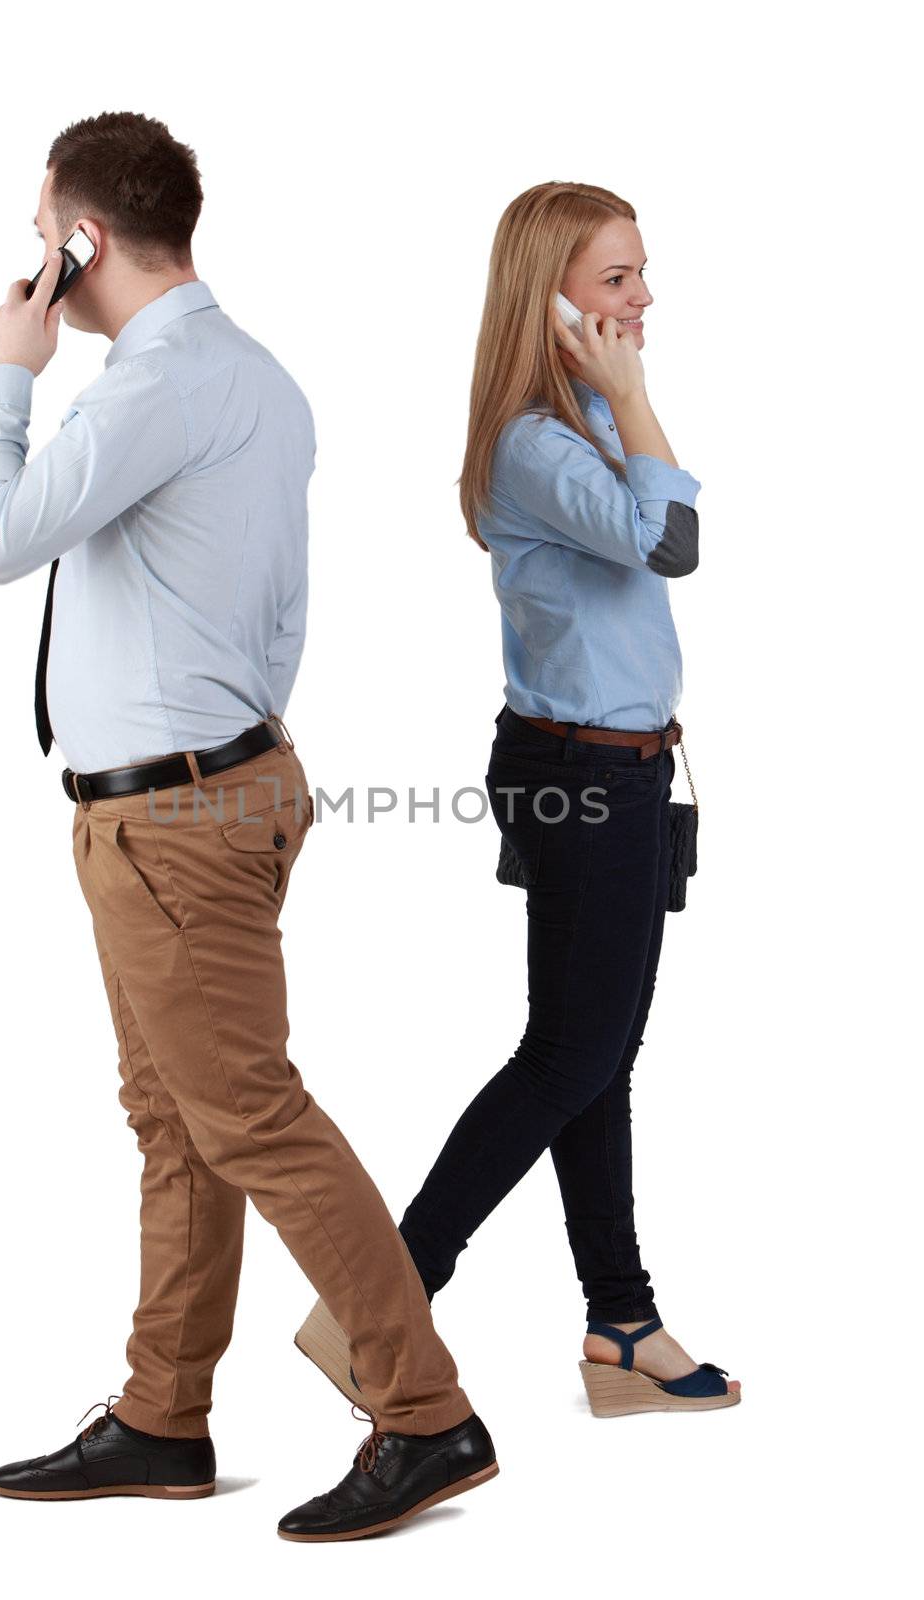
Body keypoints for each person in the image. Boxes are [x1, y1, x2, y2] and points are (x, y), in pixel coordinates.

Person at [0, 110, 497, 1539]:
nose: (34, 265)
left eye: (42, 237)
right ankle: (161, 1416)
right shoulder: (244, 375)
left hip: (177, 822)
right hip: (203, 795)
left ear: (82, 241)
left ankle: (425, 1415)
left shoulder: (155, 391)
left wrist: (0, 381)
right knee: (180, 1121)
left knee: (245, 1116)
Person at [296, 181, 741, 1417]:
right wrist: (641, 397)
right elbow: (673, 546)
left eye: (642, 274)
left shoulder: (589, 421)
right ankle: (379, 1301)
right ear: (546, 298)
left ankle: (622, 1324)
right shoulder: (538, 444)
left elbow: (660, 530)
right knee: (568, 1058)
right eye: (615, 280)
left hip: (622, 770)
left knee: (599, 1060)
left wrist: (624, 396)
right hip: (581, 776)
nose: (642, 300)